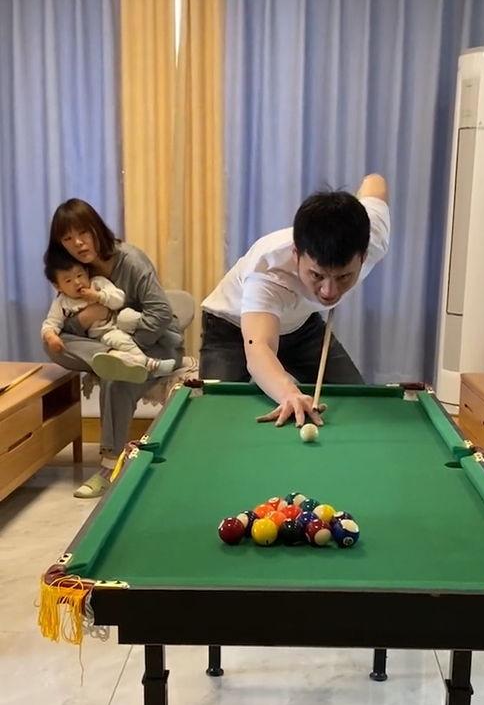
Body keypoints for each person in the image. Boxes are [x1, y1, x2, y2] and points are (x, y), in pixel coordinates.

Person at [200, 173, 389, 427]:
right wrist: (289, 393)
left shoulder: (373, 238)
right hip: (231, 329)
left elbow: (375, 182)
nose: (329, 292)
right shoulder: (268, 270)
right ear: (296, 254)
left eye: (343, 276)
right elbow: (259, 348)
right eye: (317, 275)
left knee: (356, 398)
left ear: (363, 258)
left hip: (300, 325)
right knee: (215, 414)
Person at [43, 198, 184, 499]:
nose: (78, 243)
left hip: (155, 346)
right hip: (108, 346)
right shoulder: (76, 271)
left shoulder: (131, 260)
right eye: (67, 238)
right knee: (54, 344)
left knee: (115, 380)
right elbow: (66, 324)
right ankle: (109, 358)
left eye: (83, 232)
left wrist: (129, 345)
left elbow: (160, 314)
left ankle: (109, 468)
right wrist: (86, 318)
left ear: (97, 228)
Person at [41, 249, 176, 384]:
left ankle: (162, 342)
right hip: (106, 333)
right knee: (122, 342)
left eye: (80, 275)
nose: (77, 282)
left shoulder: (97, 283)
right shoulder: (62, 303)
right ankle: (148, 365)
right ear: (58, 286)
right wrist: (50, 336)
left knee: (128, 316)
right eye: (68, 280)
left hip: (121, 319)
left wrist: (99, 296)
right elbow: (51, 322)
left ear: (87, 272)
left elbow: (119, 299)